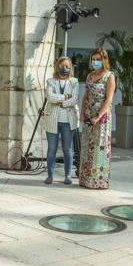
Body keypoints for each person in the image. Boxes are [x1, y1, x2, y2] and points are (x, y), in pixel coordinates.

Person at [79, 48, 116, 189]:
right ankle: (85, 179)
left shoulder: (109, 76)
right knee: (87, 146)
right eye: (93, 59)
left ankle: (98, 181)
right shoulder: (90, 76)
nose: (95, 62)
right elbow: (86, 96)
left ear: (104, 60)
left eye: (98, 59)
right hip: (88, 115)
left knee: (98, 147)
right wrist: (82, 113)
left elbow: (109, 99)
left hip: (102, 117)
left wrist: (98, 116)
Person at [41, 56, 79, 185]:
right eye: (62, 66)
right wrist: (65, 97)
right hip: (52, 118)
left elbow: (74, 99)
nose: (65, 69)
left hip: (68, 121)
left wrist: (61, 102)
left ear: (70, 68)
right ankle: (50, 175)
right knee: (51, 149)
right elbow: (50, 97)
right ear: (57, 67)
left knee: (67, 149)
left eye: (67, 66)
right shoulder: (50, 81)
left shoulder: (74, 81)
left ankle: (68, 175)